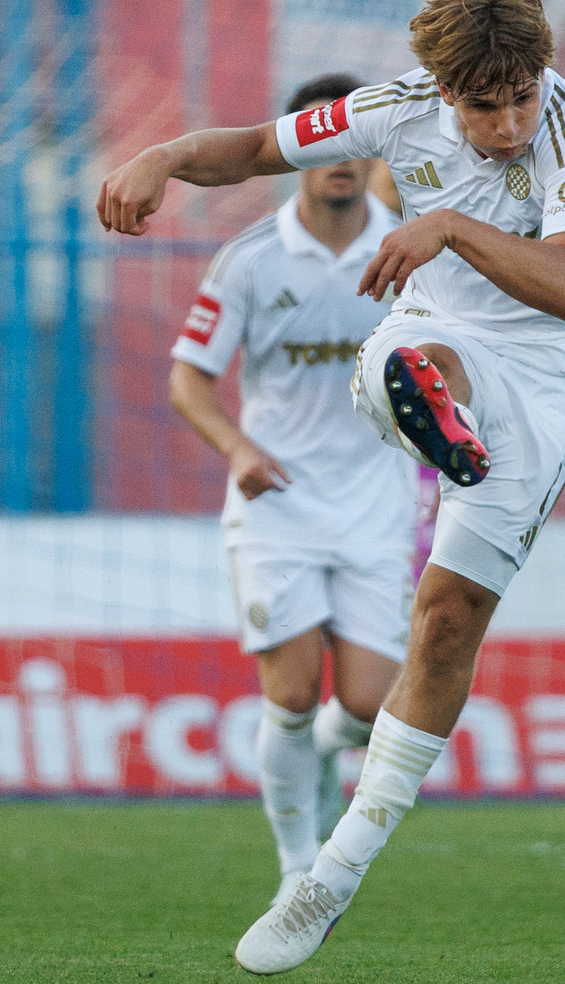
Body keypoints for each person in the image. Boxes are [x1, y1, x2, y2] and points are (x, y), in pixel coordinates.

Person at [98, 0, 565, 975]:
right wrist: (163, 154)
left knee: (444, 624)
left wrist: (451, 228)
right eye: (483, 105)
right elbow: (257, 148)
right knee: (400, 362)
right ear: (440, 89)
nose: (508, 123)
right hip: (444, 330)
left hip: (551, 369)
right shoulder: (393, 109)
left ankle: (333, 876)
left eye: (519, 94)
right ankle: (432, 409)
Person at [167, 74, 416, 910]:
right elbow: (188, 379)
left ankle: (318, 765)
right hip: (276, 505)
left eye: (354, 144)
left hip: (379, 501)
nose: (339, 161)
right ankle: (295, 871)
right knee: (292, 694)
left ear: (368, 153)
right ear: (298, 152)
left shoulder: (410, 250)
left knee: (370, 706)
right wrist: (236, 447)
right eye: (322, 143)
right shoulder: (250, 260)